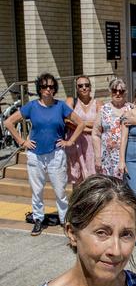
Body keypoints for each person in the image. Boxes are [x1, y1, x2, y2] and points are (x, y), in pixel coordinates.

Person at [4, 72, 85, 236]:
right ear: (39, 89)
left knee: (60, 191)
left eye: (51, 86)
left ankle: (64, 220)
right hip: (35, 154)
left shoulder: (60, 106)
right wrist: (22, 141)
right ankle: (38, 220)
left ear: (54, 88)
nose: (48, 89)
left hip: (56, 154)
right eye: (44, 86)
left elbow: (81, 123)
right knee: (37, 190)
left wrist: (69, 142)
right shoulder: (32, 106)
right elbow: (9, 122)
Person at [64, 75, 102, 187]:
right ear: (76, 88)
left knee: (94, 178)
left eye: (86, 85)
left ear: (90, 87)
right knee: (77, 178)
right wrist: (89, 125)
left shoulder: (98, 103)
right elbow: (67, 121)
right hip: (75, 143)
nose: (84, 88)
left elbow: (100, 124)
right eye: (80, 86)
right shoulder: (71, 101)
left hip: (93, 145)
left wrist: (80, 125)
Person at [93, 77, 133, 178]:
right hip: (107, 158)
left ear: (125, 93)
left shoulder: (131, 109)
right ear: (110, 92)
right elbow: (96, 134)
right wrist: (98, 157)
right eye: (115, 91)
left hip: (127, 157)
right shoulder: (104, 109)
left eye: (121, 91)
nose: (118, 94)